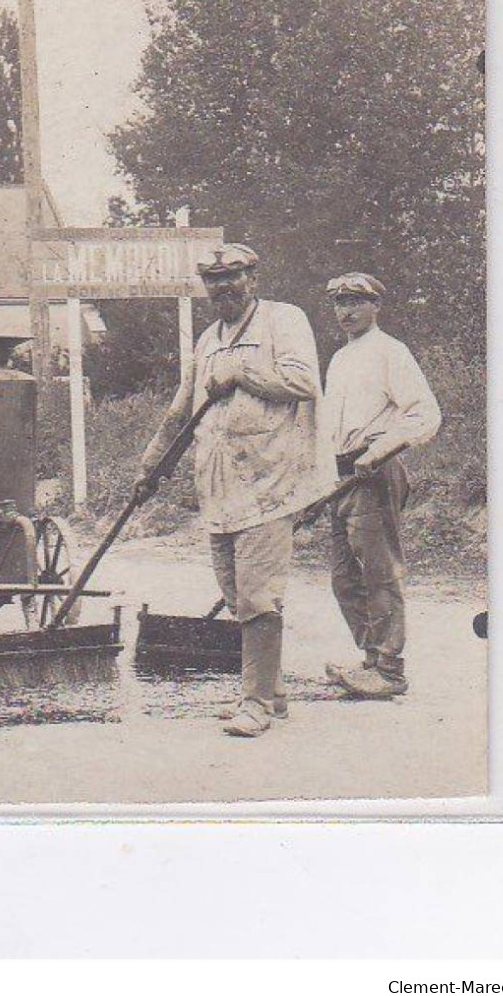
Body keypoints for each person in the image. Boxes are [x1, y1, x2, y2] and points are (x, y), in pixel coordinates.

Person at [134, 244, 333, 739]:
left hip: (272, 481)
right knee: (234, 592)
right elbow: (180, 413)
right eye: (214, 280)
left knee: (257, 596)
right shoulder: (207, 341)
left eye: (232, 277)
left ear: (253, 278)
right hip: (220, 487)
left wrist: (242, 373)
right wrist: (150, 468)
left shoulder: (283, 321)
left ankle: (257, 702)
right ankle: (273, 689)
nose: (223, 287)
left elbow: (304, 381)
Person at [321, 272, 441, 700]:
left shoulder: (392, 352)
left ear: (376, 306)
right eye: (339, 302)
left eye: (356, 301)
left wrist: (379, 450)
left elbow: (424, 414)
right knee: (342, 577)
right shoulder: (339, 359)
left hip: (374, 471)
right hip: (340, 475)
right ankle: (370, 659)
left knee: (379, 572)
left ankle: (390, 669)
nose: (346, 310)